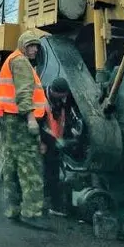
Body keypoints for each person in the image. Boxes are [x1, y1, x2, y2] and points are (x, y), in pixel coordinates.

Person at [0, 30, 49, 228]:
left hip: (9, 120)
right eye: (31, 46)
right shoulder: (21, 62)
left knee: (11, 164)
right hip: (21, 121)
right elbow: (24, 92)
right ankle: (32, 212)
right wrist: (31, 118)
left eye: (36, 46)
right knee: (30, 165)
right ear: (23, 46)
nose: (34, 50)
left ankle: (13, 209)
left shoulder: (12, 59)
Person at [38, 76, 75, 216]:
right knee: (43, 173)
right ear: (55, 92)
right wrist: (42, 142)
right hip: (43, 141)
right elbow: (36, 124)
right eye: (63, 96)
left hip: (55, 143)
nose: (65, 98)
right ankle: (40, 203)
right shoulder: (41, 99)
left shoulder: (62, 100)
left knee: (53, 174)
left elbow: (63, 118)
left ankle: (53, 204)